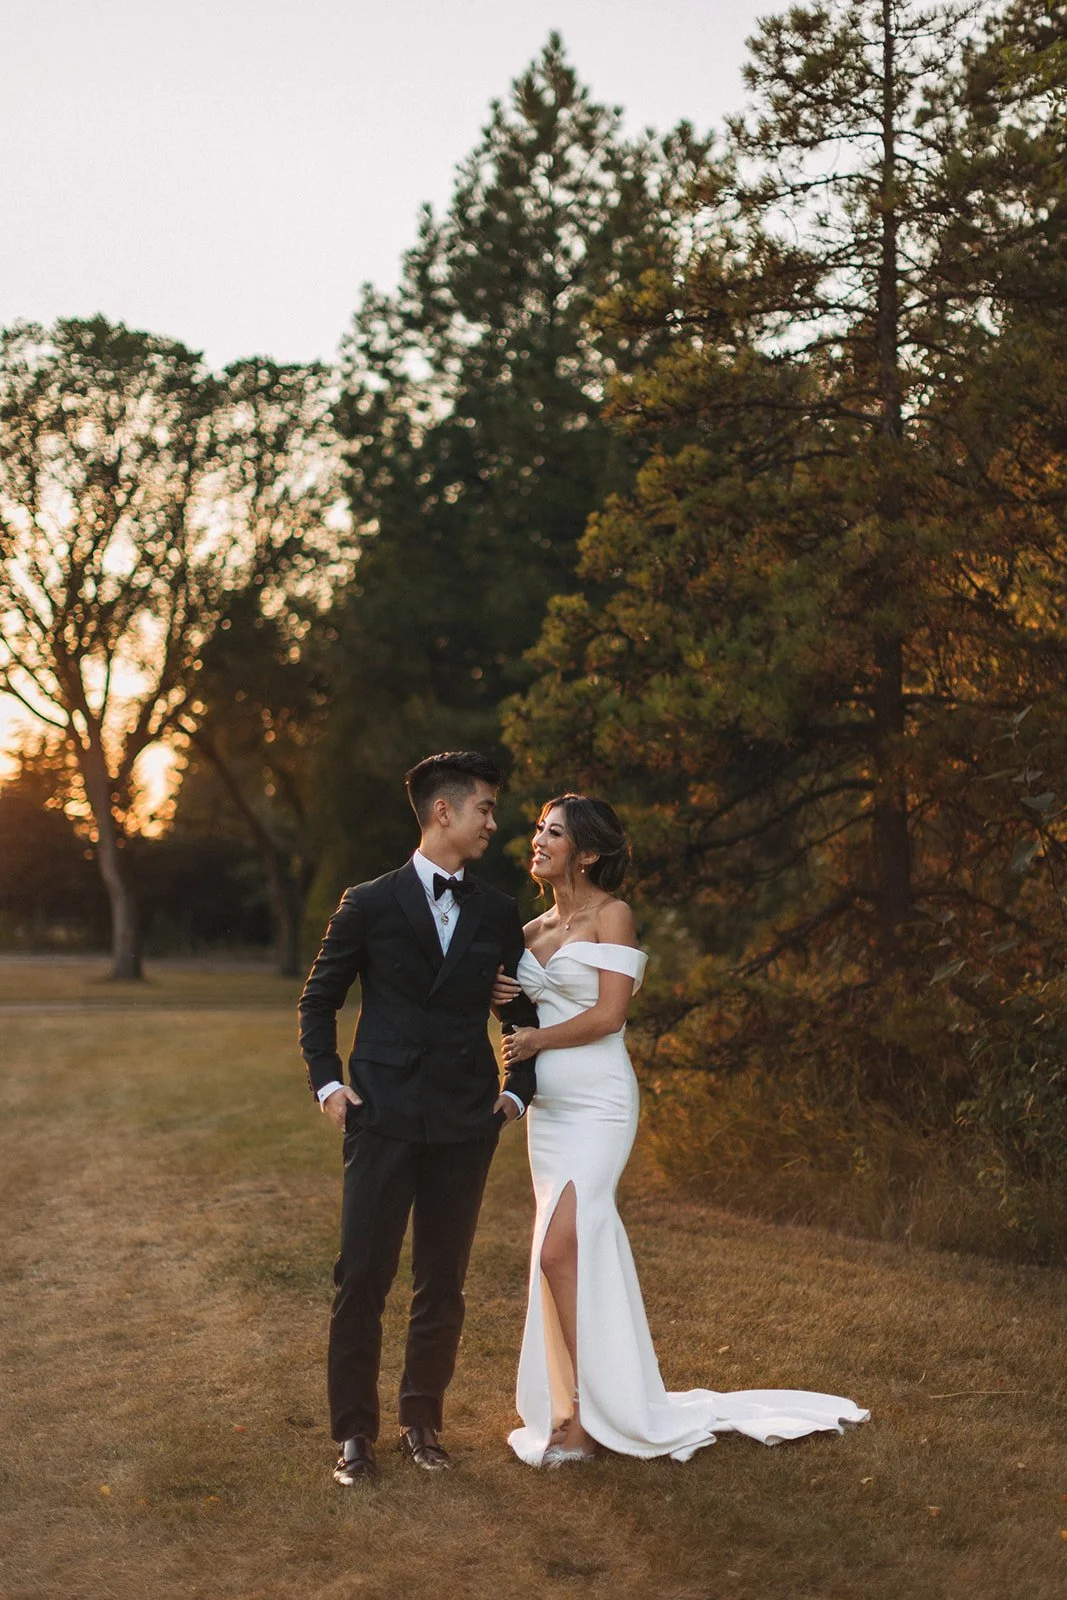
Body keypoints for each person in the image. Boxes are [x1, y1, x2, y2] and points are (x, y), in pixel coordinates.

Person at [495, 793, 869, 1467]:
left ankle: (586, 1417)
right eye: (538, 832)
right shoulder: (528, 929)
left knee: (557, 1250)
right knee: (561, 1255)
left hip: (600, 1104)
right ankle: (575, 1408)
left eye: (552, 833)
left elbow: (609, 1016)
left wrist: (533, 1040)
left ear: (588, 852)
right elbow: (509, 999)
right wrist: (499, 1000)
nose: (538, 842)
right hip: (548, 1119)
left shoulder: (612, 916)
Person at [299, 751, 539, 1486]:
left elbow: (522, 1013)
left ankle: (421, 1422)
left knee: (443, 1280)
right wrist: (329, 1087)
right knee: (362, 1277)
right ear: (445, 811)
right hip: (383, 1114)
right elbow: (319, 999)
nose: (494, 824)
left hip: (466, 1120)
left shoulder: (499, 913)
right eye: (485, 809)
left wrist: (517, 1091)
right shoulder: (368, 901)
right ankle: (353, 1439)